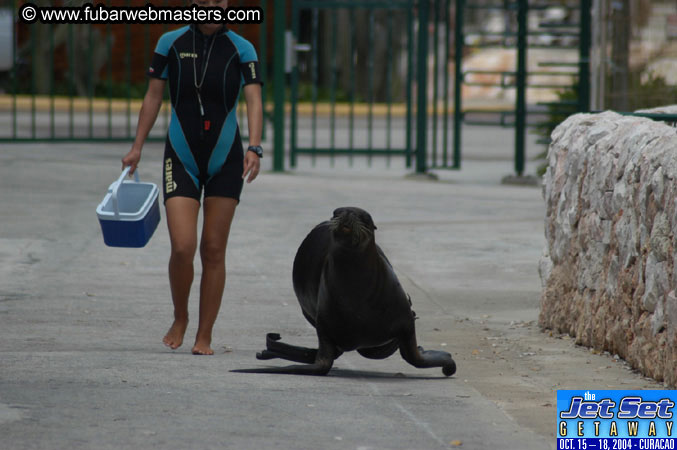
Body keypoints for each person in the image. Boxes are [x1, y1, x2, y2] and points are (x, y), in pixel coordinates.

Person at [122, 0, 264, 355]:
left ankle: (205, 333)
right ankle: (180, 316)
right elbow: (153, 96)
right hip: (182, 155)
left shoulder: (242, 48)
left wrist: (255, 146)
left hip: (225, 157)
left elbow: (254, 100)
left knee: (213, 249)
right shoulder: (170, 43)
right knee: (183, 246)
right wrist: (137, 146)